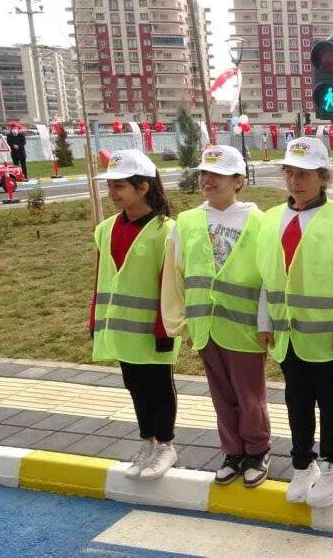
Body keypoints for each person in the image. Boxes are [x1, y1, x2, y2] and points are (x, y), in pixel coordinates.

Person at [256, 137, 333, 507]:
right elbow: (267, 276)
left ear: (323, 177)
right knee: (296, 401)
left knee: (331, 404)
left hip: (329, 337)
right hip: (287, 335)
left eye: (305, 174)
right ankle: (304, 464)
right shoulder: (272, 219)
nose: (296, 181)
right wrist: (264, 320)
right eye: (290, 173)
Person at [161, 145, 272, 488]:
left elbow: (271, 277)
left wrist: (266, 322)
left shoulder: (258, 221)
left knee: (249, 394)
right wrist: (178, 321)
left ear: (238, 180)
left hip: (244, 328)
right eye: (204, 174)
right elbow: (175, 275)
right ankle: (232, 450)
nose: (207, 181)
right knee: (221, 393)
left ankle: (256, 449)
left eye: (217, 175)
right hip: (205, 326)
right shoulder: (189, 222)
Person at [89, 149, 180, 480]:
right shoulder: (106, 229)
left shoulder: (166, 231)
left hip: (154, 332)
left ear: (143, 187)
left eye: (119, 187)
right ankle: (147, 441)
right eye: (110, 186)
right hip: (122, 331)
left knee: (158, 387)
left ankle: (165, 445)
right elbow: (101, 280)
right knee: (135, 387)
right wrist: (94, 323)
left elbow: (170, 286)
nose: (112, 193)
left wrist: (164, 331)